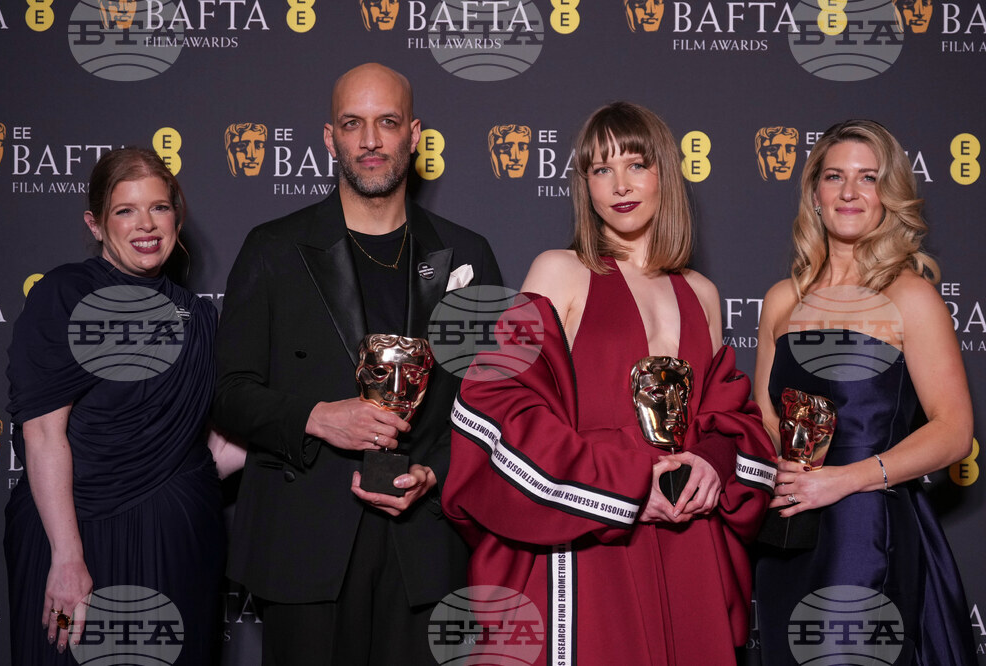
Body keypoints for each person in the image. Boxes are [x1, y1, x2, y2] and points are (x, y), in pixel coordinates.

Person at [443, 101, 776, 665]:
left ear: (665, 172)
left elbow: (730, 416)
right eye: (601, 169)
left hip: (687, 535)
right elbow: (500, 402)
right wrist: (625, 487)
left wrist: (709, 464)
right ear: (585, 184)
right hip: (593, 529)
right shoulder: (560, 270)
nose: (620, 184)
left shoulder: (702, 292)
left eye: (636, 164)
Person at [212, 62, 502, 666]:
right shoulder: (273, 248)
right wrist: (316, 417)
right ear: (330, 137)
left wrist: (435, 475)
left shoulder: (467, 254)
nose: (370, 140)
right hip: (306, 541)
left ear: (414, 135)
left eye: (387, 122)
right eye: (352, 123)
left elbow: (491, 404)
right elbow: (228, 392)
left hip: (426, 546)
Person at [753, 119, 975, 664]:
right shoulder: (782, 300)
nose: (849, 192)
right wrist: (784, 470)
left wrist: (843, 481)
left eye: (868, 177)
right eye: (834, 176)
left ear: (888, 195)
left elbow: (953, 431)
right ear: (815, 193)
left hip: (866, 525)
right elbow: (764, 415)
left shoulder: (911, 296)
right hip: (789, 527)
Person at [3, 147, 227, 664]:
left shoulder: (198, 318)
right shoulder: (65, 294)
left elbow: (207, 447)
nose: (146, 224)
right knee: (63, 649)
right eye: (126, 210)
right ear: (96, 224)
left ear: (176, 218)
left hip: (173, 545)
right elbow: (43, 434)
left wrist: (305, 425)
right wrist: (67, 559)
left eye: (159, 207)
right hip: (75, 541)